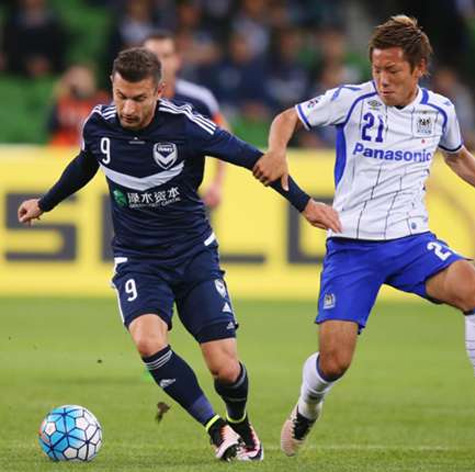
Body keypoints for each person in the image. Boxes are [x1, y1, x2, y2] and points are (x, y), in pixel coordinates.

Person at [17, 47, 340, 462]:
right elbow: (85, 165)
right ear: (111, 89)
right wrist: (45, 203)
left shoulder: (185, 127)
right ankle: (216, 428)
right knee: (149, 342)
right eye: (120, 96)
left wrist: (305, 204)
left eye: (138, 98)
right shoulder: (98, 125)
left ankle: (240, 422)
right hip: (138, 259)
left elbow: (254, 161)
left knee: (225, 368)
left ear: (159, 92)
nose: (128, 108)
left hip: (193, 256)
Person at [253, 15, 475, 456]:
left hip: (410, 241)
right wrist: (277, 151)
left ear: (418, 68)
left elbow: (459, 158)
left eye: (392, 71)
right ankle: (306, 405)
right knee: (335, 362)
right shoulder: (352, 101)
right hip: (352, 247)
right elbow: (286, 117)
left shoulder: (440, 111)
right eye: (376, 69)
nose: (382, 80)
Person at [143, 31, 228, 209]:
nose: (159, 63)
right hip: (140, 203)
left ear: (177, 60)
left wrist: (217, 184)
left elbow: (224, 138)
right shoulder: (125, 103)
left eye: (165, 56)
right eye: (151, 57)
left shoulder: (199, 99)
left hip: (186, 202)